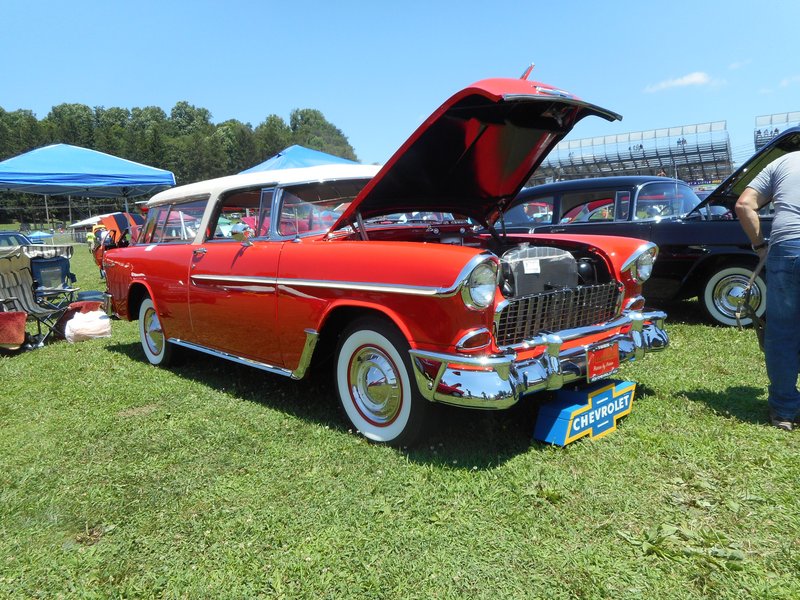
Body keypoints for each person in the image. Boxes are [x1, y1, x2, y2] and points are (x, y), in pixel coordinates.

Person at [735, 150, 800, 431]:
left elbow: (744, 204)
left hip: (787, 247)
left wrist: (760, 245)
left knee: (783, 331)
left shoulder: (784, 162)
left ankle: (784, 411)